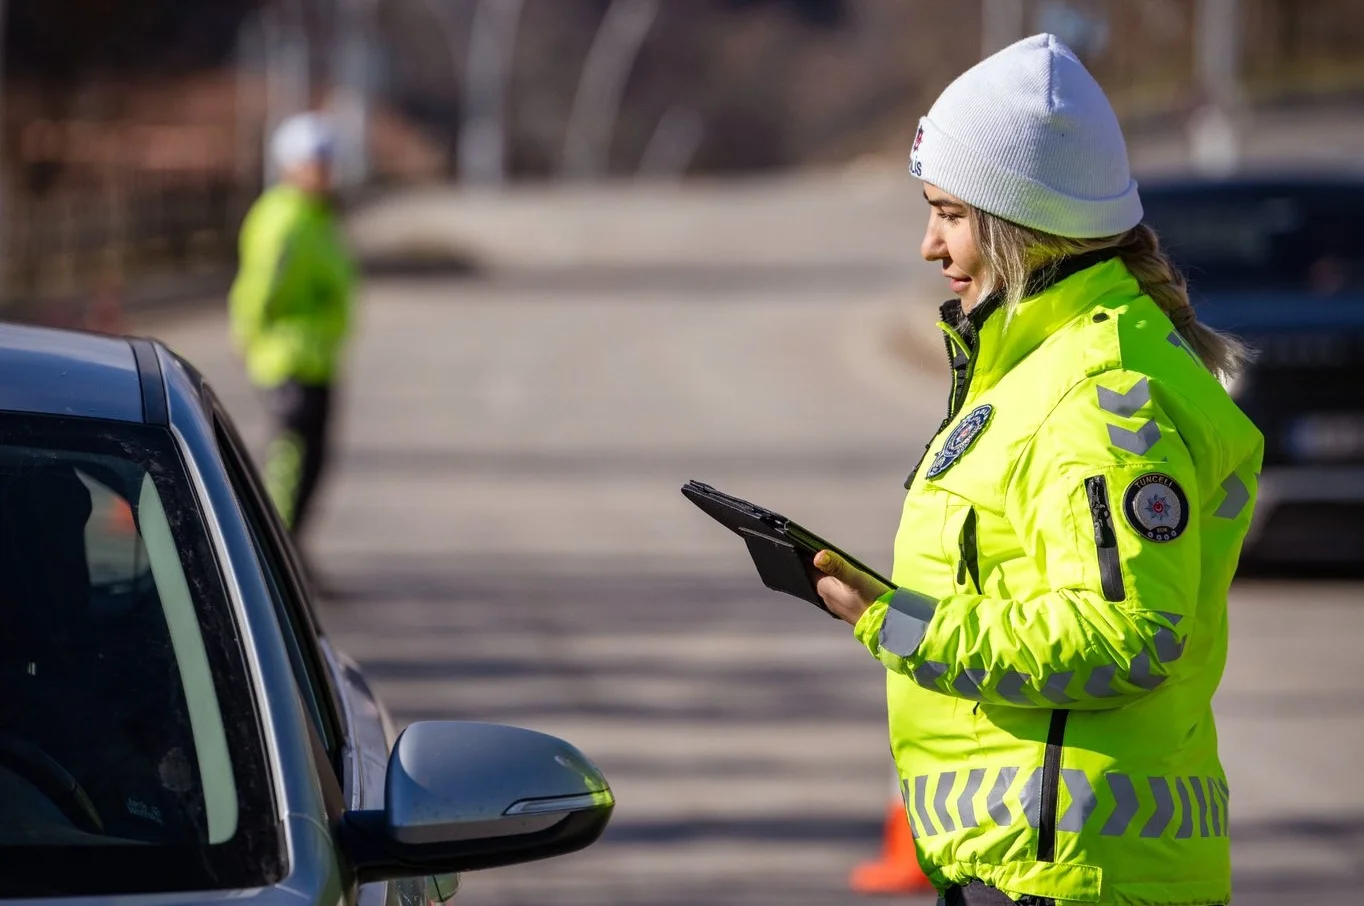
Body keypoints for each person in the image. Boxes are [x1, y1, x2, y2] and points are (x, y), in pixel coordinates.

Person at [810, 35, 1262, 906]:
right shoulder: (1041, 371)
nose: (928, 245)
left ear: (1019, 225)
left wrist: (903, 626)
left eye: (948, 212)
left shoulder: (1097, 398)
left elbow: (1127, 637)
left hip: (1073, 875)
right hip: (1040, 865)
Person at [229, 112, 356, 563]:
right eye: (314, 162)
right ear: (290, 165)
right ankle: (273, 559)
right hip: (287, 361)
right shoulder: (283, 220)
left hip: (317, 357)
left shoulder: (317, 215)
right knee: (289, 466)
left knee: (313, 464)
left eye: (327, 161)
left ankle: (291, 552)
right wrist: (249, 336)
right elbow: (258, 288)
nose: (323, 171)